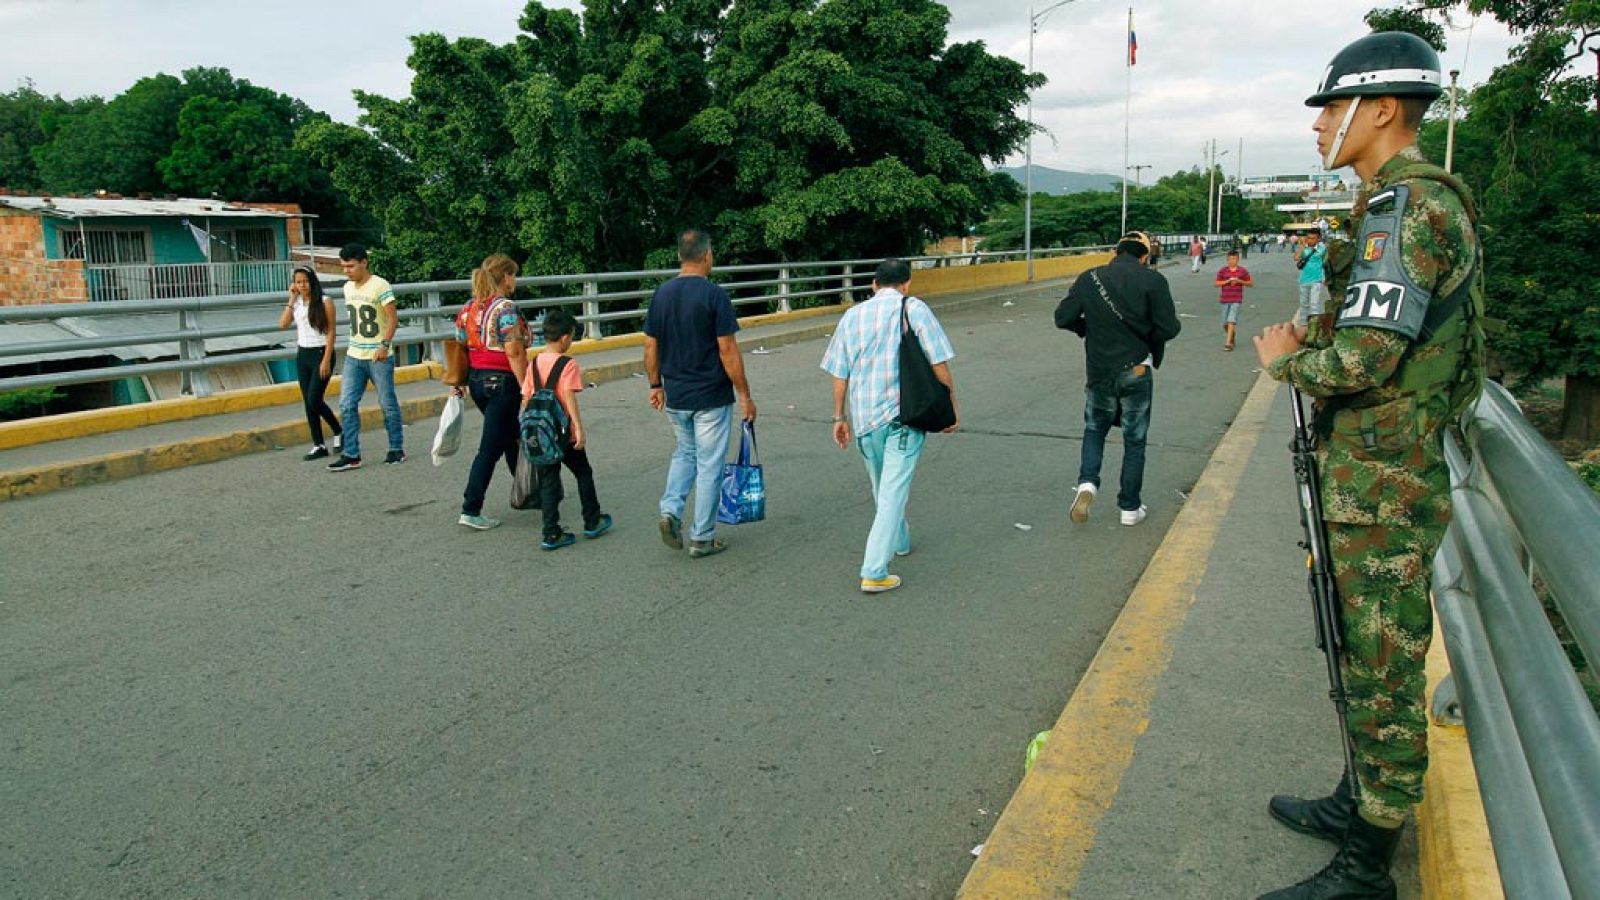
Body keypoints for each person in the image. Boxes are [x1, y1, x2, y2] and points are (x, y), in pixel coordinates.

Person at [1251, 31, 1485, 900]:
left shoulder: (1407, 211)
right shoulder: (1391, 206)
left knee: (1383, 669)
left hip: (1383, 484)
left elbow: (1363, 362)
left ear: (1381, 110)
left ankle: (1366, 870)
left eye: (1330, 108)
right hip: (1375, 473)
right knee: (1359, 653)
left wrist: (1286, 361)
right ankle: (1359, 803)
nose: (1318, 128)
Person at [821, 258, 958, 594]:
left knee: (883, 488)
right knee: (892, 492)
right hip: (903, 417)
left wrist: (839, 418)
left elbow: (840, 371)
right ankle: (874, 571)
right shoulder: (914, 308)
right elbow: (938, 361)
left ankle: (900, 541)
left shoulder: (852, 316)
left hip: (865, 420)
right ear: (907, 284)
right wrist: (950, 407)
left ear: (873, 284)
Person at [643, 229, 757, 558]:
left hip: (676, 394)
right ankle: (702, 537)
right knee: (709, 465)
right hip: (710, 396)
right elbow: (727, 350)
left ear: (681, 256)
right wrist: (745, 395)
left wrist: (655, 385)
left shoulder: (661, 294)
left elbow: (651, 346)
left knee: (685, 453)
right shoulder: (714, 295)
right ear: (707, 256)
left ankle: (670, 511)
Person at [1055, 231, 1181, 527]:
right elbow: (1169, 328)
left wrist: (1087, 329)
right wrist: (1144, 336)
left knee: (1094, 429)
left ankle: (1087, 484)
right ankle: (1129, 508)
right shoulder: (1153, 280)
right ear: (1144, 256)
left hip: (1099, 370)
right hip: (1137, 368)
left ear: (1115, 252)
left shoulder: (1090, 278)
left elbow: (1063, 317)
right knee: (1134, 439)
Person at [453, 253, 529, 531]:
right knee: (491, 447)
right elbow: (514, 350)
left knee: (511, 436)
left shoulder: (469, 307)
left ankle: (528, 491)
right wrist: (527, 385)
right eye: (514, 275)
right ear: (505, 276)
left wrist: (459, 381)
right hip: (502, 382)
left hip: (476, 381)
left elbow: (460, 344)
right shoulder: (506, 308)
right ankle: (471, 507)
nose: (515, 281)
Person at [528, 310, 612, 550]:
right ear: (564, 338)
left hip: (542, 433)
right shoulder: (568, 364)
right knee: (583, 471)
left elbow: (526, 398)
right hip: (562, 430)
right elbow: (568, 396)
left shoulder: (534, 363)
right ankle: (592, 520)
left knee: (549, 480)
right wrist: (578, 428)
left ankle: (551, 532)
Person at [327, 244, 404, 471]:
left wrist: (384, 345)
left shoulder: (380, 285)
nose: (347, 271)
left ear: (363, 262)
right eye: (344, 267)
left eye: (350, 266)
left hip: (378, 356)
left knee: (387, 403)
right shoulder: (347, 288)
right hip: (354, 354)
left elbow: (392, 318)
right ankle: (351, 453)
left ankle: (396, 447)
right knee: (347, 404)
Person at [277, 266, 342, 460]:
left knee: (315, 398)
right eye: (298, 282)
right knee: (308, 402)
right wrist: (291, 299)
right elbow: (283, 324)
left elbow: (331, 331)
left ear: (312, 281)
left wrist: (326, 360)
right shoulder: (297, 303)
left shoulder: (325, 301)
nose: (302, 285)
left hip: (321, 352)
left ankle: (339, 430)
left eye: (305, 281)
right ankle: (319, 444)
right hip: (303, 353)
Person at [1214, 250, 1254, 351]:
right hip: (1225, 298)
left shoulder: (1242, 271)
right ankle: (1232, 335)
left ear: (1238, 259)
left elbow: (1250, 283)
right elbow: (1216, 283)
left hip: (1236, 299)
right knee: (1224, 323)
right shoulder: (1223, 271)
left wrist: (1240, 281)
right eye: (1230, 259)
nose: (1232, 261)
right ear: (1227, 260)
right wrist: (1227, 281)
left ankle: (1228, 343)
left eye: (1234, 259)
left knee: (1231, 319)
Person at [1292, 230, 1328, 327]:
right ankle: (1304, 325)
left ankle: (1314, 326)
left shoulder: (1322, 248)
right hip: (1304, 280)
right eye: (1308, 238)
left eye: (1313, 238)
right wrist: (1302, 246)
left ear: (1318, 239)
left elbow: (1326, 264)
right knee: (1304, 304)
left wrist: (1327, 278)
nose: (1310, 240)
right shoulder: (1304, 248)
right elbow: (1296, 258)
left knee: (1314, 304)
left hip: (1317, 280)